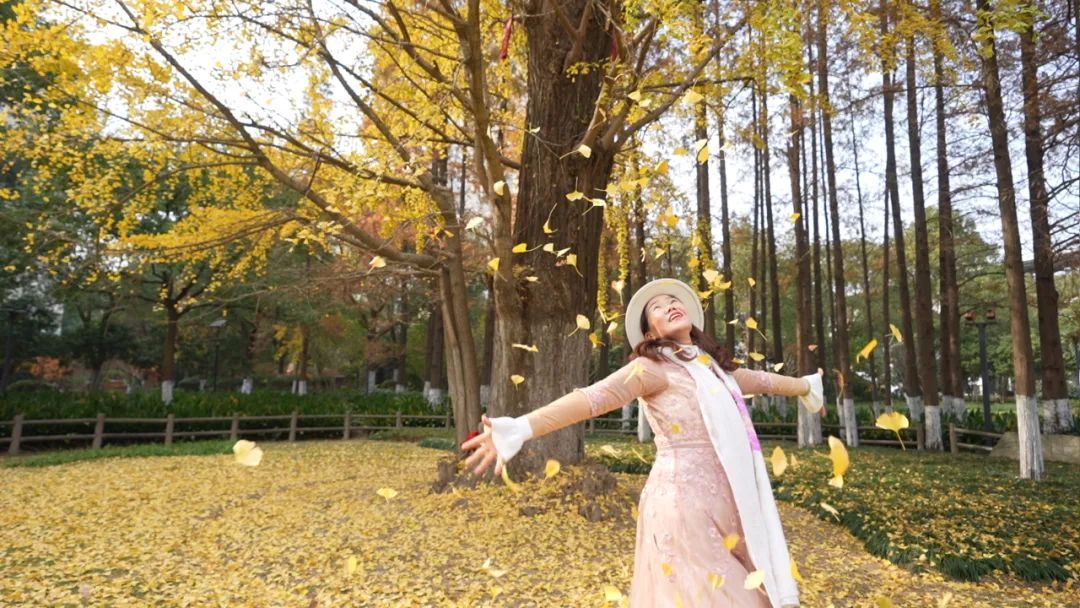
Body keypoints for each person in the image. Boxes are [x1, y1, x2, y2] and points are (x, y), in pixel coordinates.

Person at [462, 278, 823, 608]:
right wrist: (521, 427)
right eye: (658, 307)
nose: (670, 305)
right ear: (650, 331)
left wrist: (808, 387)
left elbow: (765, 381)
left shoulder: (716, 371)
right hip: (684, 507)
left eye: (673, 300)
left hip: (734, 503)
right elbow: (592, 398)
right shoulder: (652, 369)